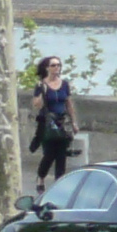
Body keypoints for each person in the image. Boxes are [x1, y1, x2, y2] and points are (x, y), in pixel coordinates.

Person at [28, 60, 76, 193]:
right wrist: (42, 92)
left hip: (62, 123)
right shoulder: (40, 84)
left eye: (58, 65)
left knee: (62, 155)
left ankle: (59, 183)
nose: (57, 68)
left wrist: (73, 122)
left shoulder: (64, 84)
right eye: (53, 65)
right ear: (47, 68)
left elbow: (68, 103)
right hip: (47, 123)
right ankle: (41, 178)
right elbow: (37, 105)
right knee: (49, 154)